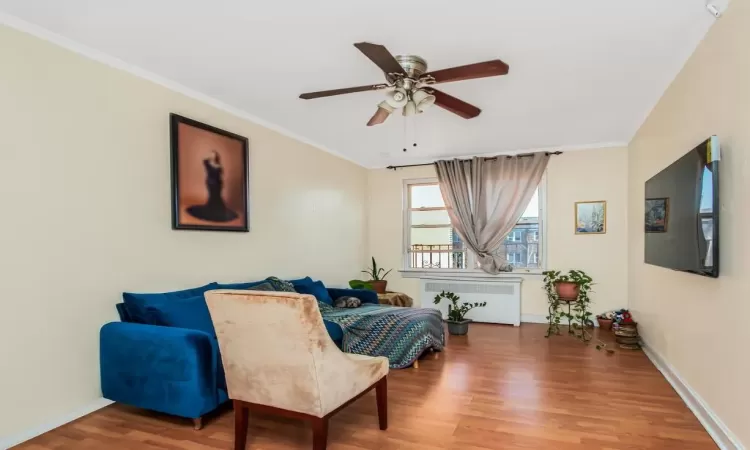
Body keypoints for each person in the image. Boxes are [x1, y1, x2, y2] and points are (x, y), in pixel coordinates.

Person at [186, 150, 238, 222]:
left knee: (218, 196)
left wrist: (220, 182)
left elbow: (220, 175)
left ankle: (218, 210)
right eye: (211, 154)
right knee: (212, 195)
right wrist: (209, 156)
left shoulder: (219, 165)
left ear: (216, 156)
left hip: (218, 183)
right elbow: (204, 160)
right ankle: (212, 209)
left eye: (214, 155)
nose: (212, 156)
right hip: (211, 182)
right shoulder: (207, 162)